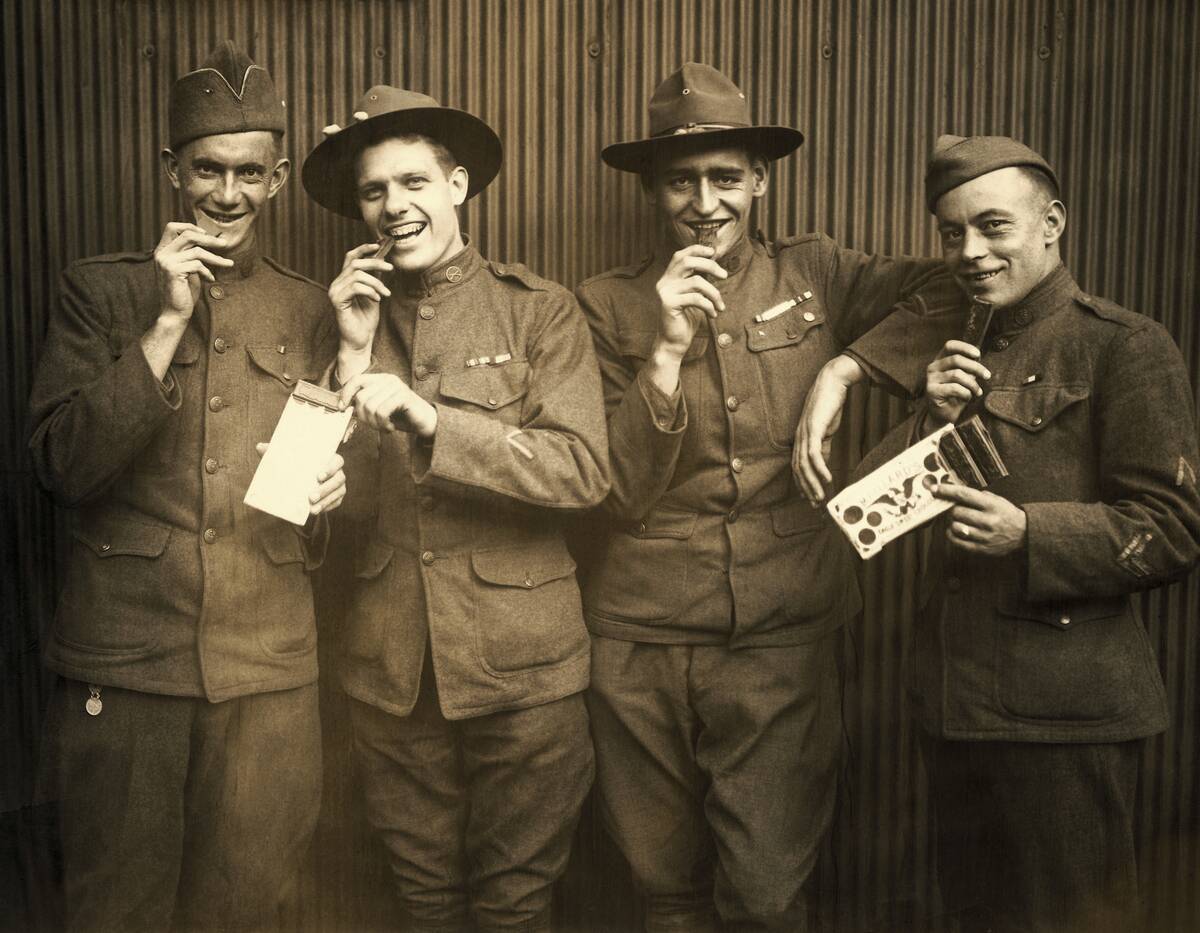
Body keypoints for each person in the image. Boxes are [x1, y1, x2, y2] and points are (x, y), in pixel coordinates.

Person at [574, 62, 960, 932]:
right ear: (653, 191)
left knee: (765, 893)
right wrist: (664, 353)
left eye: (724, 179)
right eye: (681, 181)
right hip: (640, 638)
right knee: (662, 886)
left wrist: (846, 365)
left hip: (783, 633)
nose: (704, 202)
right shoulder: (603, 308)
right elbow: (619, 491)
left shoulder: (817, 269)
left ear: (760, 181)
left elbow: (949, 289)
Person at [27, 41, 345, 931]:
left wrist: (324, 500)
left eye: (250, 173)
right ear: (172, 169)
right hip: (128, 668)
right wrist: (166, 323)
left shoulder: (311, 308)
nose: (228, 195)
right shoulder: (100, 294)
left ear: (279, 178)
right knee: (115, 910)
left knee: (248, 910)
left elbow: (306, 512)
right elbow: (61, 465)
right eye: (208, 169)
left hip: (266, 670)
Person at [848, 134, 1200, 932]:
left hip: (1063, 718)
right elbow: (870, 521)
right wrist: (926, 419)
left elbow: (1175, 528)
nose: (969, 252)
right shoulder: (961, 352)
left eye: (993, 227)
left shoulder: (1125, 346)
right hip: (956, 708)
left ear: (1052, 223)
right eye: (951, 233)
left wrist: (1029, 533)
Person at [301, 85, 609, 932]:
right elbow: (315, 501)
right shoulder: (341, 317)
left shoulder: (537, 308)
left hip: (524, 673)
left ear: (458, 186)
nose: (394, 207)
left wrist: (435, 420)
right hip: (391, 673)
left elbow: (582, 471)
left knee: (514, 905)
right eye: (374, 192)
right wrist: (353, 354)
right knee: (423, 904)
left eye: (413, 183)